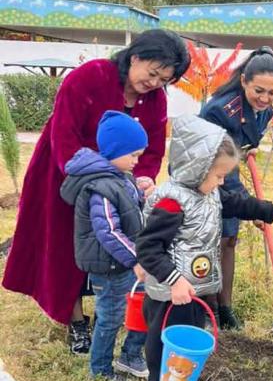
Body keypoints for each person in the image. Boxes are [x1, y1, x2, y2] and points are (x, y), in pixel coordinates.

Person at [2, 29, 190, 354]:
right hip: (65, 175)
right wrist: (87, 184)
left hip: (118, 186)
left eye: (164, 79)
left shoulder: (156, 100)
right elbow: (64, 134)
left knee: (112, 247)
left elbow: (152, 150)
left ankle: (110, 313)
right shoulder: (90, 77)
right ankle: (75, 320)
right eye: (153, 72)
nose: (155, 82)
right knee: (68, 248)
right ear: (135, 57)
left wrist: (143, 178)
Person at [136, 115, 273, 381]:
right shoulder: (171, 201)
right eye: (217, 175)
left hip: (197, 294)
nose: (220, 182)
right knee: (166, 357)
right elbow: (148, 248)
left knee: (188, 356)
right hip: (170, 298)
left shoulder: (210, 194)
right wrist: (174, 280)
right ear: (195, 167)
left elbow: (245, 204)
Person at [60, 111, 149, 381]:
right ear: (114, 150)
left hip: (127, 262)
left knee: (146, 304)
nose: (136, 161)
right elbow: (109, 231)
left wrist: (141, 193)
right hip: (110, 267)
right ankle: (100, 370)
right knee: (109, 319)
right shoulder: (101, 186)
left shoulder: (120, 177)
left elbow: (128, 211)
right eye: (133, 155)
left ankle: (131, 355)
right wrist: (136, 259)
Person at [199, 46, 273, 330]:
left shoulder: (264, 107)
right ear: (244, 81)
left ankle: (226, 308)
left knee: (229, 240)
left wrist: (248, 148)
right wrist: (253, 208)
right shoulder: (220, 112)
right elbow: (219, 164)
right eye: (259, 90)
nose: (266, 99)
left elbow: (247, 139)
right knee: (212, 240)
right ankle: (208, 309)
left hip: (228, 171)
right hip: (205, 179)